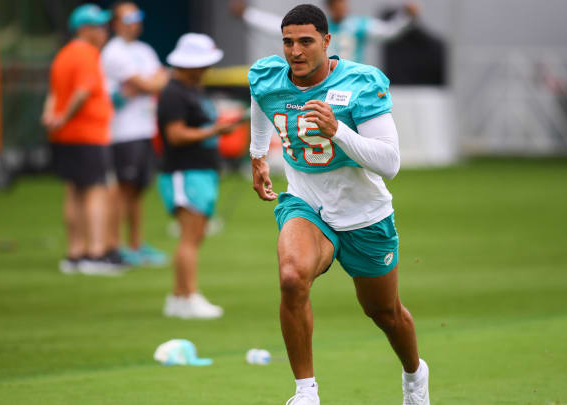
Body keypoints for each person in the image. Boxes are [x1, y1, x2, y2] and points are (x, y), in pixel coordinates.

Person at [248, 4, 428, 405]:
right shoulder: (268, 75)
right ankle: (305, 392)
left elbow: (390, 163)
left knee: (383, 313)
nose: (295, 51)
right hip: (305, 200)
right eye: (288, 42)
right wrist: (258, 153)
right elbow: (260, 101)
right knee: (292, 277)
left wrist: (338, 131)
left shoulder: (362, 83)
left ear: (327, 42)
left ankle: (415, 374)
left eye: (306, 41)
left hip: (364, 213)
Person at [156, 33, 242, 319]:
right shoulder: (173, 93)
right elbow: (175, 135)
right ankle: (188, 297)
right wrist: (215, 130)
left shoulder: (193, 90)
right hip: (184, 171)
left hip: (201, 171)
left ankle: (179, 297)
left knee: (196, 234)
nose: (206, 69)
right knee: (190, 236)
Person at [42, 4, 122, 275]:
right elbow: (82, 91)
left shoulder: (63, 55)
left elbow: (53, 94)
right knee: (95, 190)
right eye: (98, 26)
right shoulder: (87, 54)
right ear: (84, 30)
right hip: (89, 134)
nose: (103, 31)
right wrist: (63, 116)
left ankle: (74, 254)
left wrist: (52, 118)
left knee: (74, 191)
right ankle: (95, 253)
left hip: (66, 136)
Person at [101, 1, 168, 266]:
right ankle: (115, 245)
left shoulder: (145, 50)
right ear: (116, 23)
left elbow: (158, 80)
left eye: (137, 16)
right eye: (128, 17)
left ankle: (136, 244)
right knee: (122, 189)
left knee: (138, 190)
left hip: (144, 129)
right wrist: (148, 83)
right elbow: (148, 82)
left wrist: (147, 84)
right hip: (123, 132)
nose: (135, 22)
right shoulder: (113, 52)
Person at [230, 0, 418, 63]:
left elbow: (388, 31)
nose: (342, 8)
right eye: (338, 4)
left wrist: (405, 17)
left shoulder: (358, 26)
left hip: (350, 79)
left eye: (344, 3)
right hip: (322, 78)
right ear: (330, 6)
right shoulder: (318, 25)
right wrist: (247, 14)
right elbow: (275, 25)